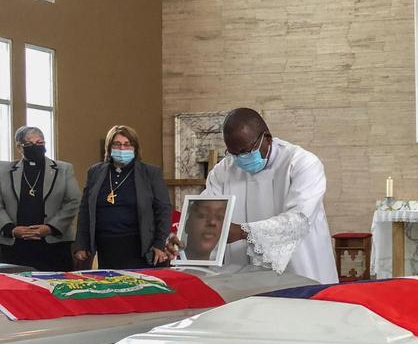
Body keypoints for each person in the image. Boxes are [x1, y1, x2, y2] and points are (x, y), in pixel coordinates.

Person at [167, 108, 337, 284]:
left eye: (245, 151)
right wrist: (180, 238)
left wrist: (243, 232)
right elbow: (204, 210)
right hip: (242, 275)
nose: (239, 159)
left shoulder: (302, 163)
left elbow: (299, 220)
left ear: (267, 138)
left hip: (301, 269)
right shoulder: (223, 171)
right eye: (233, 153)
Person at [74, 125, 173, 269]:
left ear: (135, 148)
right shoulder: (95, 172)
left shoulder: (150, 173)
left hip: (139, 247)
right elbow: (85, 210)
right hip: (105, 247)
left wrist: (159, 243)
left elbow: (163, 209)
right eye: (117, 144)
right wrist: (81, 244)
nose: (122, 149)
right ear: (109, 147)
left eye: (127, 144)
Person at [0, 126, 81, 271]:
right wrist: (10, 229)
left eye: (40, 143)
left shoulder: (63, 169)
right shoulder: (4, 170)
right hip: (15, 245)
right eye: (30, 144)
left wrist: (51, 227)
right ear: (19, 147)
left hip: (53, 244)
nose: (36, 147)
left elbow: (73, 201)